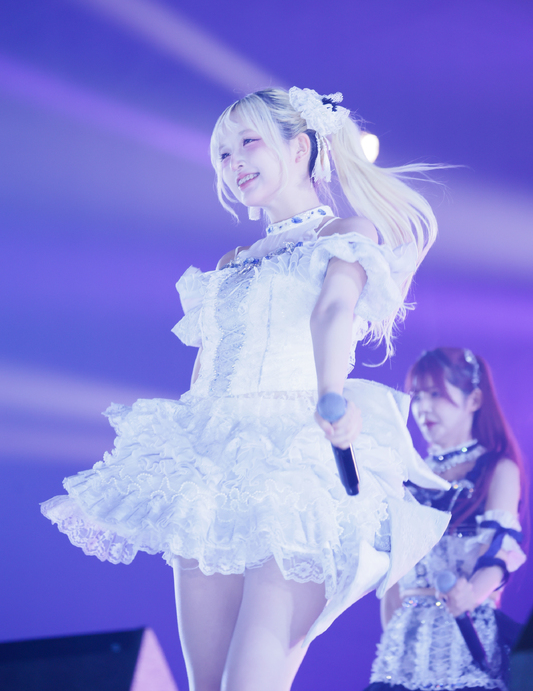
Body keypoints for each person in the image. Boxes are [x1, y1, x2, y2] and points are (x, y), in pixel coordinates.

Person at [42, 87, 451, 691]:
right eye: (223, 155)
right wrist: (184, 445)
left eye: (247, 143)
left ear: (299, 147)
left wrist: (331, 395)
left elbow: (333, 312)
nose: (234, 164)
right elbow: (208, 364)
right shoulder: (232, 260)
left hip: (294, 462)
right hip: (211, 466)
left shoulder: (343, 231)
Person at [366, 347, 527, 691]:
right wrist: (394, 635)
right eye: (418, 395)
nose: (424, 407)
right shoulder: (405, 476)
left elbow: (499, 551)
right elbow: (394, 577)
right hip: (406, 642)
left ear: (474, 400)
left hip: (467, 633)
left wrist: (472, 594)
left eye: (435, 394)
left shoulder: (496, 468)